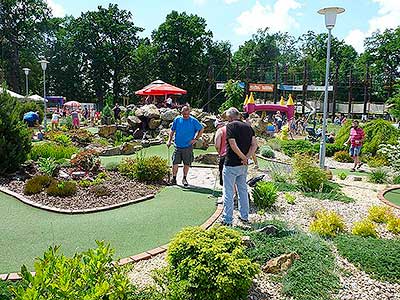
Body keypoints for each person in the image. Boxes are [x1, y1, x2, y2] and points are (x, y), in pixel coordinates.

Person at [222, 107, 257, 226]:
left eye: (227, 118)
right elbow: (254, 145)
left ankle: (227, 219)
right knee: (242, 190)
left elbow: (232, 144)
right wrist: (247, 157)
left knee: (228, 191)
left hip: (231, 163)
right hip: (243, 165)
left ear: (230, 117)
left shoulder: (231, 126)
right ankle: (244, 216)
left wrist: (242, 157)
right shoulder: (248, 127)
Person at [167, 106, 204, 187]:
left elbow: (201, 129)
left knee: (186, 163)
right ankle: (174, 178)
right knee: (175, 162)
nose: (186, 116)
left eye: (187, 114)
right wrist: (169, 140)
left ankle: (184, 178)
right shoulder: (177, 119)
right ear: (181, 113)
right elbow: (172, 130)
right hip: (177, 145)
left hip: (188, 146)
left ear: (189, 113)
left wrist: (196, 139)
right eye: (184, 114)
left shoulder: (193, 120)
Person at [214, 119, 227, 186]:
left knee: (223, 172)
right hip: (236, 154)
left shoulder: (220, 131)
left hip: (224, 154)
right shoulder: (232, 129)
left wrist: (219, 152)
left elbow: (217, 145)